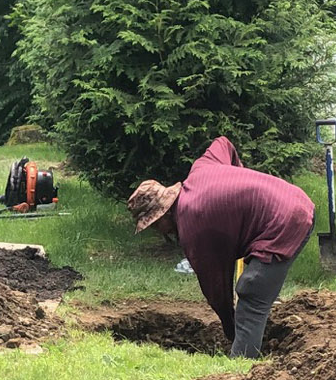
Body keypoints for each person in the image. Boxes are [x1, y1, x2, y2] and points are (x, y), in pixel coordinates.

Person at [126, 137, 315, 358]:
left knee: (252, 293)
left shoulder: (192, 227)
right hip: (292, 199)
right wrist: (238, 181)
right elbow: (223, 143)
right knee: (256, 287)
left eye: (155, 225)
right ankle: (254, 341)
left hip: (287, 220)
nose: (160, 231)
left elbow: (216, 288)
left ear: (162, 216)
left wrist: (230, 326)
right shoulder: (200, 170)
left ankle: (242, 369)